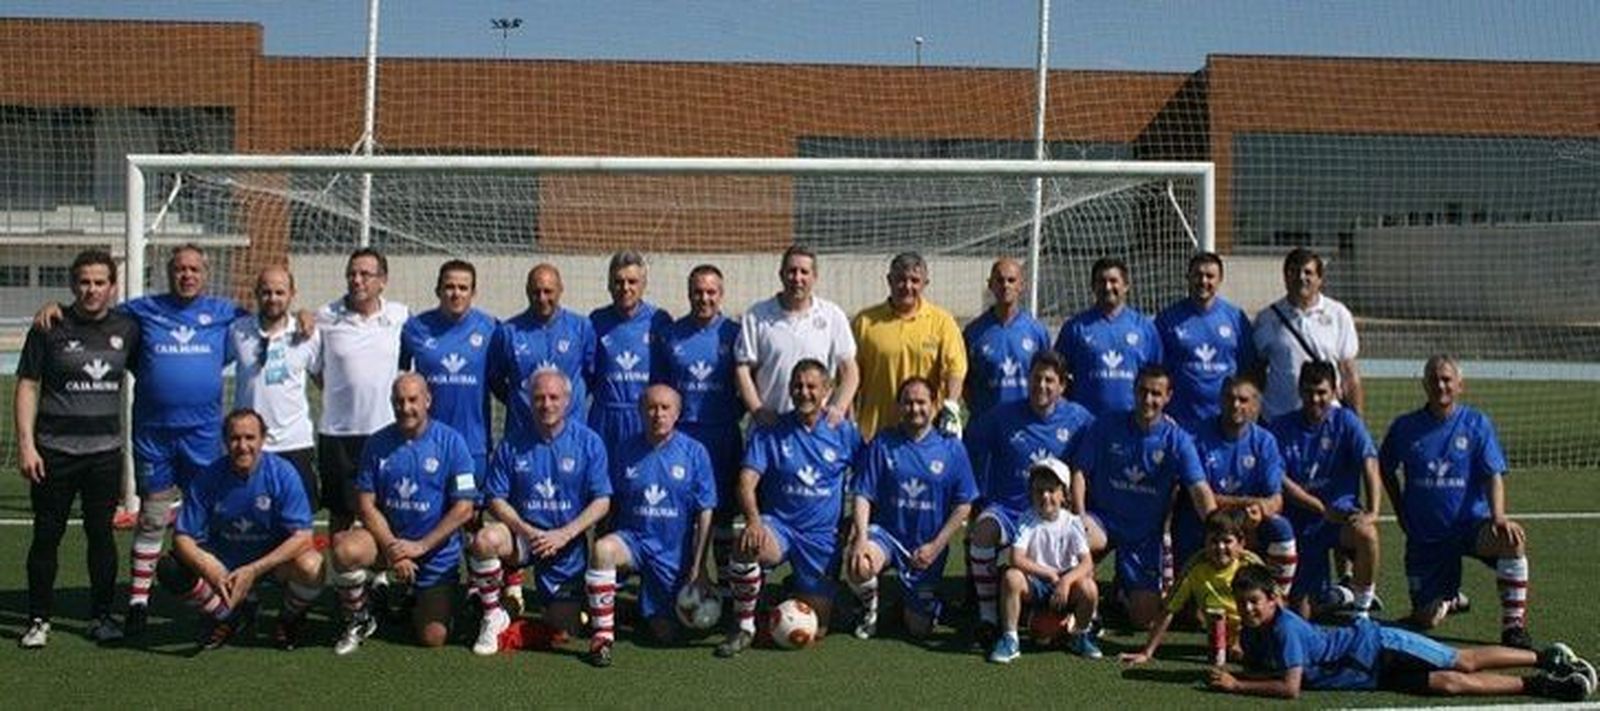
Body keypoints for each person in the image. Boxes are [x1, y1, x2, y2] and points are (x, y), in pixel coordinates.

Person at [1209, 564, 1595, 701]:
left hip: (1379, 647)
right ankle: (1541, 686)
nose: (1248, 609)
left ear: (1274, 598)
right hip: (1372, 675)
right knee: (1449, 685)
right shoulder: (1256, 629)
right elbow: (1270, 666)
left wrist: (1237, 685)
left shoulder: (1285, 627)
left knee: (1462, 661)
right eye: (1243, 604)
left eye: (1255, 601)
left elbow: (1290, 688)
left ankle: (1547, 657)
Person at [16, 249, 139, 648]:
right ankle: (38, 619)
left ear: (112, 287)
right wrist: (26, 445)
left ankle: (101, 617)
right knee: (46, 536)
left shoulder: (127, 328)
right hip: (54, 453)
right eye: (84, 282)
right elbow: (28, 385)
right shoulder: (49, 325)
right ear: (73, 285)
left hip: (105, 455)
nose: (91, 290)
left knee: (100, 536)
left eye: (99, 282)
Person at [1379, 355, 1533, 648]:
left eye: (1447, 379)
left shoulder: (1477, 423)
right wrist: (1400, 509)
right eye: (1434, 379)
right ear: (1424, 384)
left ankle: (1513, 627)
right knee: (1425, 619)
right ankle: (1450, 599)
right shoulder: (1405, 427)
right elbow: (1384, 468)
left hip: (1470, 527)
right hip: (1426, 536)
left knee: (1512, 541)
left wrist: (1498, 516)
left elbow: (1493, 474)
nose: (1440, 385)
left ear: (1460, 385)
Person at [716, 359, 865, 657]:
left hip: (821, 537)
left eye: (812, 386)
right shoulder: (770, 430)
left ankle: (803, 589)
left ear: (827, 389)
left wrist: (854, 524)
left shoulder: (844, 432)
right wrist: (754, 521)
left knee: (816, 629)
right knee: (746, 545)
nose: (804, 392)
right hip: (779, 527)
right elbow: (746, 482)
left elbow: (867, 482)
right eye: (798, 386)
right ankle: (744, 626)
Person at [328, 374, 479, 656]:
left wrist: (421, 547)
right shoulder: (377, 443)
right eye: (399, 401)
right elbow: (365, 505)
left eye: (412, 400)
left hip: (434, 550)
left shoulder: (452, 442)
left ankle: (423, 597)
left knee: (433, 637)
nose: (405, 407)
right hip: (390, 543)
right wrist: (395, 550)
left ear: (427, 401)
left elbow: (464, 508)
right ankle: (360, 617)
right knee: (344, 548)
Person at [466, 371, 611, 656]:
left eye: (554, 397)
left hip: (565, 542)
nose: (546, 404)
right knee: (484, 540)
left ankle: (509, 609)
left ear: (568, 401)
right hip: (523, 537)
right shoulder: (512, 443)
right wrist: (525, 529)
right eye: (539, 398)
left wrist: (564, 534)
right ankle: (491, 615)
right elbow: (495, 498)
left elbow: (602, 501)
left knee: (563, 629)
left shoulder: (589, 442)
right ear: (529, 402)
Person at [158, 409, 323, 651]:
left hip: (270, 563)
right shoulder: (208, 477)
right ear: (225, 441)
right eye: (235, 438)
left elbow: (303, 536)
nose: (242, 446)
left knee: (312, 566)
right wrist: (210, 570)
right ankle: (226, 615)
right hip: (225, 563)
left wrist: (254, 570)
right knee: (170, 568)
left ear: (263, 439)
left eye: (250, 438)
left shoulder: (283, 473)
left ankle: (289, 619)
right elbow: (182, 536)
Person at [963, 350, 1094, 641]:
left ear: (1062, 385)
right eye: (1036, 379)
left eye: (1050, 380)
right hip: (1009, 511)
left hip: (1052, 512)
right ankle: (988, 615)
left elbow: (1109, 438)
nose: (1041, 386)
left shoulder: (1080, 418)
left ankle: (1077, 607)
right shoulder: (1002, 415)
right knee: (982, 531)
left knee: (1094, 536)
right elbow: (968, 445)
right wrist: (974, 503)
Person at [1072, 365, 1216, 630]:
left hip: (1144, 535)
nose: (1148, 399)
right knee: (1077, 540)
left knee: (1144, 620)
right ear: (1134, 390)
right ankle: (1062, 600)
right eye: (1143, 391)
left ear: (1168, 396)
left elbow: (1198, 488)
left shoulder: (1177, 440)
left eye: (1156, 394)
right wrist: (1079, 515)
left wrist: (1216, 526)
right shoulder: (1107, 425)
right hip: (1103, 521)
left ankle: (1121, 592)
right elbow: (1080, 471)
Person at [584, 385, 717, 667]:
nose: (658, 414)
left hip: (671, 550)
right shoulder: (625, 449)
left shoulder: (695, 453)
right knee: (603, 550)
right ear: (641, 412)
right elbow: (612, 501)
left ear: (678, 413)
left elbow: (705, 512)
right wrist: (598, 546)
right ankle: (603, 637)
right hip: (632, 540)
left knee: (666, 633)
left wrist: (699, 565)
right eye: (651, 408)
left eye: (665, 408)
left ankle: (635, 607)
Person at [845, 377, 977, 640]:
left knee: (919, 630)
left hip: (926, 545)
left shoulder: (951, 448)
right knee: (859, 563)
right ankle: (869, 611)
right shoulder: (884, 443)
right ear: (899, 406)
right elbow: (862, 493)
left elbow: (964, 504)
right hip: (887, 536)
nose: (914, 409)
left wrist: (936, 546)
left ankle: (915, 603)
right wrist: (860, 538)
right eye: (908, 402)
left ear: (935, 405)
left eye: (921, 402)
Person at [651, 264, 745, 593]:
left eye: (711, 292)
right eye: (698, 292)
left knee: (720, 510)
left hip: (722, 434)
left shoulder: (735, 333)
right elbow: (660, 387)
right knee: (682, 510)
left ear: (721, 295)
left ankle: (723, 582)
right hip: (683, 438)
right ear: (689, 293)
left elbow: (747, 385)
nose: (704, 298)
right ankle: (679, 577)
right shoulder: (670, 335)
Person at [1267, 361, 1382, 619]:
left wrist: (1373, 510)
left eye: (1322, 392)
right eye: (1309, 392)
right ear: (1299, 390)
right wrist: (1319, 507)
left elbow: (1369, 462)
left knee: (1367, 533)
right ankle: (1337, 595)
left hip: (1340, 519)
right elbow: (1280, 479)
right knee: (1302, 614)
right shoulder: (1281, 427)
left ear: (1334, 391)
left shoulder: (1347, 421)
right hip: (1302, 523)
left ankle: (1361, 610)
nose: (1315, 399)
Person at [1174, 377, 1298, 595]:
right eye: (1230, 398)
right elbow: (1201, 495)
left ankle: (1278, 596)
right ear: (1220, 400)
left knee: (1281, 527)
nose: (1236, 405)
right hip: (1205, 518)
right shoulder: (1195, 437)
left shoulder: (1265, 441)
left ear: (1255, 405)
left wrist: (1260, 511)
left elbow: (1276, 499)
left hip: (1247, 520)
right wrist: (1249, 503)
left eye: (1243, 400)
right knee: (1194, 615)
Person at [315, 248, 409, 533]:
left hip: (386, 430)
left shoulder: (401, 316)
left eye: (365, 274)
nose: (357, 280)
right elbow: (314, 369)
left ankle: (381, 572)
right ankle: (347, 575)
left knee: (384, 507)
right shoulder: (325, 317)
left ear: (383, 280)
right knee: (342, 511)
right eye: (352, 274)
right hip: (338, 433)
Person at [987, 458, 1100, 663]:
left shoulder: (1072, 522)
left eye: (1051, 490)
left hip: (1065, 583)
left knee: (1089, 587)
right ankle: (1010, 638)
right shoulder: (1027, 519)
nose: (1045, 496)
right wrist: (1047, 573)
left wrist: (1065, 581)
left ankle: (1080, 634)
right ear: (1031, 493)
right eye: (1039, 491)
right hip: (1037, 582)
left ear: (1064, 494)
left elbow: (1086, 563)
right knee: (1012, 577)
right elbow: (1016, 557)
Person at [735, 244, 858, 428]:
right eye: (792, 271)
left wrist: (837, 408)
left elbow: (850, 371)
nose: (797, 278)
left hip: (816, 429)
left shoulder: (832, 315)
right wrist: (758, 411)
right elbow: (742, 370)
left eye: (804, 272)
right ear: (781, 274)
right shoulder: (757, 315)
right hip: (772, 427)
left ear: (814, 277)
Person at [229, 266, 321, 510]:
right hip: (250, 445)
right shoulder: (237, 331)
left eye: (280, 292)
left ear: (292, 293)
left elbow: (323, 381)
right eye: (266, 292)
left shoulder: (308, 335)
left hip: (294, 443)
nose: (273, 299)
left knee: (299, 518)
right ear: (256, 294)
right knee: (248, 516)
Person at [401, 259, 499, 487]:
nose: (456, 294)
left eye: (463, 288)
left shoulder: (491, 329)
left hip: (472, 446)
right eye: (449, 287)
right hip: (427, 443)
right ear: (438, 290)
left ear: (473, 292)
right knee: (428, 509)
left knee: (469, 510)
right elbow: (401, 377)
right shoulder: (415, 328)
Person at [1120, 510, 1261, 666]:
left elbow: (1273, 603)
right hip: (1219, 632)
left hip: (1253, 628)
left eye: (1227, 541)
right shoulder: (1195, 566)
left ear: (1241, 544)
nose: (1220, 547)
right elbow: (1168, 610)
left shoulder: (1250, 564)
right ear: (1205, 542)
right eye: (1214, 541)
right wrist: (1147, 653)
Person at [851, 252, 967, 440]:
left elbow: (955, 369)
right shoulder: (865, 322)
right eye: (901, 280)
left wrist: (952, 405)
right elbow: (850, 376)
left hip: (925, 435)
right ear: (889, 280)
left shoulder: (942, 322)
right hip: (875, 434)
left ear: (925, 283)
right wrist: (849, 418)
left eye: (915, 280)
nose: (907, 286)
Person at [1253, 247, 1362, 420]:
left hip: (1326, 419)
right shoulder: (1267, 317)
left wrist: (1357, 420)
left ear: (1319, 279)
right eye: (1294, 272)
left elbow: (1348, 371)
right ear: (1285, 277)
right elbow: (1257, 371)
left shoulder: (1338, 314)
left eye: (1308, 272)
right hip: (1278, 419)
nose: (1301, 277)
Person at [489, 263, 597, 432]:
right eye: (535, 292)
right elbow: (495, 380)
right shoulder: (508, 332)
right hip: (523, 431)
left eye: (548, 291)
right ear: (527, 291)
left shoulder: (581, 328)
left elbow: (592, 376)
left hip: (570, 431)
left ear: (560, 289)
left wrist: (567, 399)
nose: (541, 298)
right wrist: (524, 401)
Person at [1155, 252, 1255, 433]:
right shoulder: (1168, 319)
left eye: (1210, 276)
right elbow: (1157, 369)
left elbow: (1248, 369)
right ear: (1188, 277)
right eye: (1197, 275)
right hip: (1180, 421)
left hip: (1225, 421)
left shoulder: (1235, 318)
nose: (1203, 281)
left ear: (1220, 279)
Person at [1053, 257, 1162, 417]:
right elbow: (1057, 375)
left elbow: (1159, 377)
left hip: (1132, 423)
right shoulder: (1075, 328)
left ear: (1126, 286)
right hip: (1086, 425)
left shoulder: (1144, 328)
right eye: (1101, 281)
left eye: (1113, 281)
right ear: (1092, 286)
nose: (1107, 287)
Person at [588, 251, 672, 445]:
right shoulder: (596, 321)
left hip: (645, 417)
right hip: (605, 418)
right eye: (618, 281)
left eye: (632, 281)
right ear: (609, 285)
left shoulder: (659, 320)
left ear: (643, 285)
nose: (625, 288)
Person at [962, 257, 1050, 422]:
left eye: (1011, 280)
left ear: (1021, 286)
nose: (1005, 285)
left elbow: (1048, 376)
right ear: (990, 285)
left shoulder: (1037, 331)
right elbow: (964, 382)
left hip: (1026, 423)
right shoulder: (974, 332)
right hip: (987, 425)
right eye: (1000, 280)